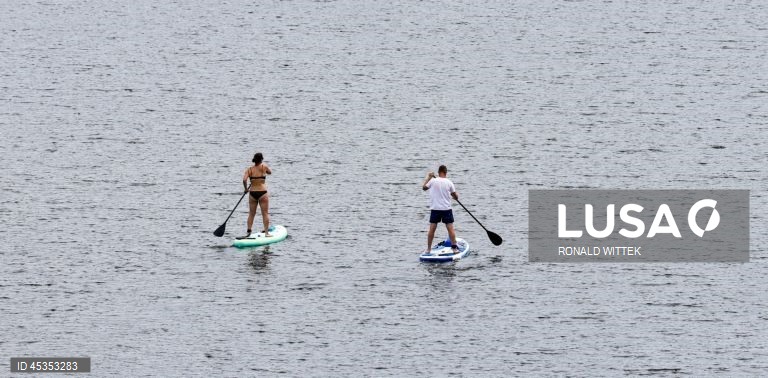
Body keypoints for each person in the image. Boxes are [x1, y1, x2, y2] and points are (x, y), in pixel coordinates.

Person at [422, 165, 459, 253]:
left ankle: (428, 249)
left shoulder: (432, 181)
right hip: (446, 209)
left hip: (435, 209)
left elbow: (424, 188)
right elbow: (455, 197)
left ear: (438, 172)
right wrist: (455, 196)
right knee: (450, 229)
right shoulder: (449, 182)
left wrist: (429, 177)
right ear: (446, 173)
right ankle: (454, 249)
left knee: (432, 229)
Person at [239, 152, 272, 238]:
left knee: (251, 214)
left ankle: (248, 232)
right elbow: (270, 172)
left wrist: (246, 189)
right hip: (262, 192)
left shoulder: (249, 169)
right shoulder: (264, 167)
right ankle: (266, 233)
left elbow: (244, 180)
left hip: (252, 193)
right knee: (265, 213)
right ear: (261, 159)